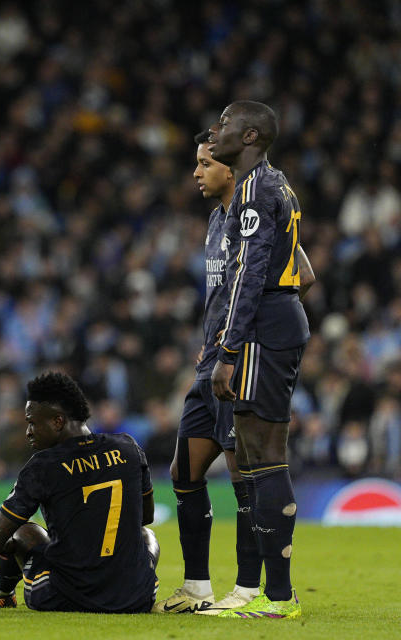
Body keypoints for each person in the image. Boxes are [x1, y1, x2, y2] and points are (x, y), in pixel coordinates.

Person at [155, 132, 315, 615]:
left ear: (229, 167)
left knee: (247, 472)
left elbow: (302, 273)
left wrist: (257, 327)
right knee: (184, 471)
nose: (198, 172)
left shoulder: (253, 211)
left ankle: (248, 588)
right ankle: (197, 586)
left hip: (239, 353)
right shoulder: (215, 219)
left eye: (206, 163)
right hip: (210, 360)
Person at [209, 101, 311, 619]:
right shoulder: (278, 184)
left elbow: (248, 275)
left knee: (264, 452)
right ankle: (258, 591)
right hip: (278, 319)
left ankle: (277, 597)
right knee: (251, 454)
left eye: (224, 124)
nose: (215, 130)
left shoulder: (252, 193)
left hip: (261, 328)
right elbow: (304, 270)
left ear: (249, 136)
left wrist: (228, 352)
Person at [0, 372, 159, 613]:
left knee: (24, 530)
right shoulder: (128, 447)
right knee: (147, 535)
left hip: (63, 597)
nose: (28, 432)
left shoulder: (41, 466)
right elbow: (145, 518)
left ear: (57, 421)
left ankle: (2, 590)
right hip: (136, 598)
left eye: (32, 422)